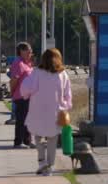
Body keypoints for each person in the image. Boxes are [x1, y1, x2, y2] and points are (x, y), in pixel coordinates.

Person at [24, 48, 73, 176]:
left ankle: (42, 161)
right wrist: (67, 106)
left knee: (37, 136)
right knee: (52, 138)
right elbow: (67, 94)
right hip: (55, 111)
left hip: (37, 110)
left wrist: (26, 95)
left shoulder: (37, 72)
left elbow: (26, 88)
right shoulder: (62, 74)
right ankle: (50, 166)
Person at [9, 42, 34, 149]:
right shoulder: (18, 63)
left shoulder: (27, 63)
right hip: (21, 97)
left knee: (28, 119)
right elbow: (14, 80)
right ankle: (18, 142)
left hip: (28, 97)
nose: (30, 52)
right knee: (21, 120)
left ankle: (27, 141)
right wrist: (12, 92)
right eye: (28, 50)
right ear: (21, 51)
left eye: (31, 50)